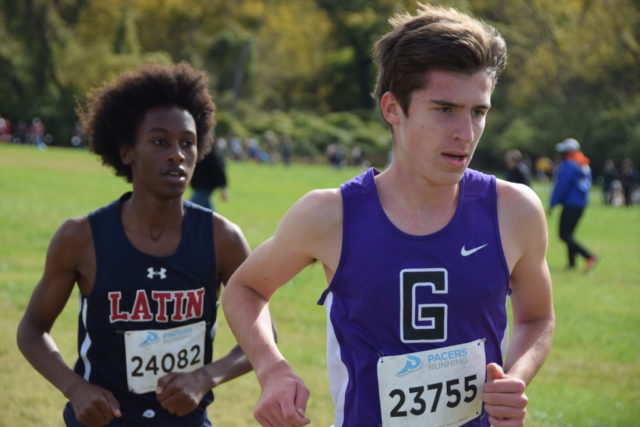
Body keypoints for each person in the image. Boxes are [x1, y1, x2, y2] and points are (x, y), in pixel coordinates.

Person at [222, 4, 555, 427]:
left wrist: (515, 377)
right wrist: (272, 368)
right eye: (444, 109)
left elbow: (537, 316)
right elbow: (244, 289)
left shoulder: (515, 210)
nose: (466, 133)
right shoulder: (331, 214)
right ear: (393, 109)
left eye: (479, 111)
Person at [17, 63, 253, 427]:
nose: (177, 154)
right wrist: (75, 388)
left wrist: (205, 377)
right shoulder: (80, 238)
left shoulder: (223, 239)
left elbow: (262, 336)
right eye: (160, 142)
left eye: (187, 142)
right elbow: (32, 330)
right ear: (127, 151)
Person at [548, 138, 598, 272]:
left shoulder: (569, 164)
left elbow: (561, 185)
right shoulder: (583, 163)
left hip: (571, 204)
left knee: (563, 235)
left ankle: (589, 256)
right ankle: (571, 264)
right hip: (580, 204)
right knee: (569, 234)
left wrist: (552, 203)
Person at [190, 144, 229, 211]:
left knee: (190, 209)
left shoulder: (210, 150)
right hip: (201, 185)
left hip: (205, 185)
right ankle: (212, 221)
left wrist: (222, 187)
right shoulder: (199, 148)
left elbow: (218, 168)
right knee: (208, 210)